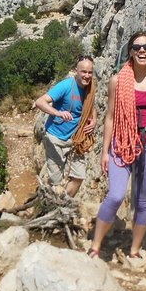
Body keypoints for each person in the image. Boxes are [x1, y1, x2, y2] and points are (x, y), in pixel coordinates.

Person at [87, 31, 146, 258]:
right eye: (137, 47)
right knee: (116, 195)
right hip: (122, 142)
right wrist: (105, 151)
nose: (142, 50)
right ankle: (96, 245)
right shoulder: (117, 81)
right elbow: (110, 118)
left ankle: (134, 250)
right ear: (130, 52)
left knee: (142, 200)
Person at [35, 55, 97, 197]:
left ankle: (64, 203)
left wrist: (94, 120)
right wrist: (58, 113)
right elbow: (40, 102)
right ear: (76, 71)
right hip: (55, 139)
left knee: (79, 177)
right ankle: (56, 208)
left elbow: (90, 107)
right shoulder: (65, 86)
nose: (87, 76)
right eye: (83, 72)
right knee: (57, 183)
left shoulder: (90, 88)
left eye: (90, 72)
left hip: (75, 140)